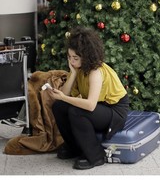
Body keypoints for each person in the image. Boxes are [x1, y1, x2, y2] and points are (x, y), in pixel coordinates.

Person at [49, 26, 129, 170]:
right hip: (99, 106)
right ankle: (75, 147)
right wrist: (72, 74)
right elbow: (64, 95)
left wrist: (63, 97)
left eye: (75, 58)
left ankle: (96, 156)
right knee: (58, 107)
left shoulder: (95, 72)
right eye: (69, 57)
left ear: (86, 57)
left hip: (114, 110)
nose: (71, 61)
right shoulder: (78, 69)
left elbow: (90, 105)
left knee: (76, 111)